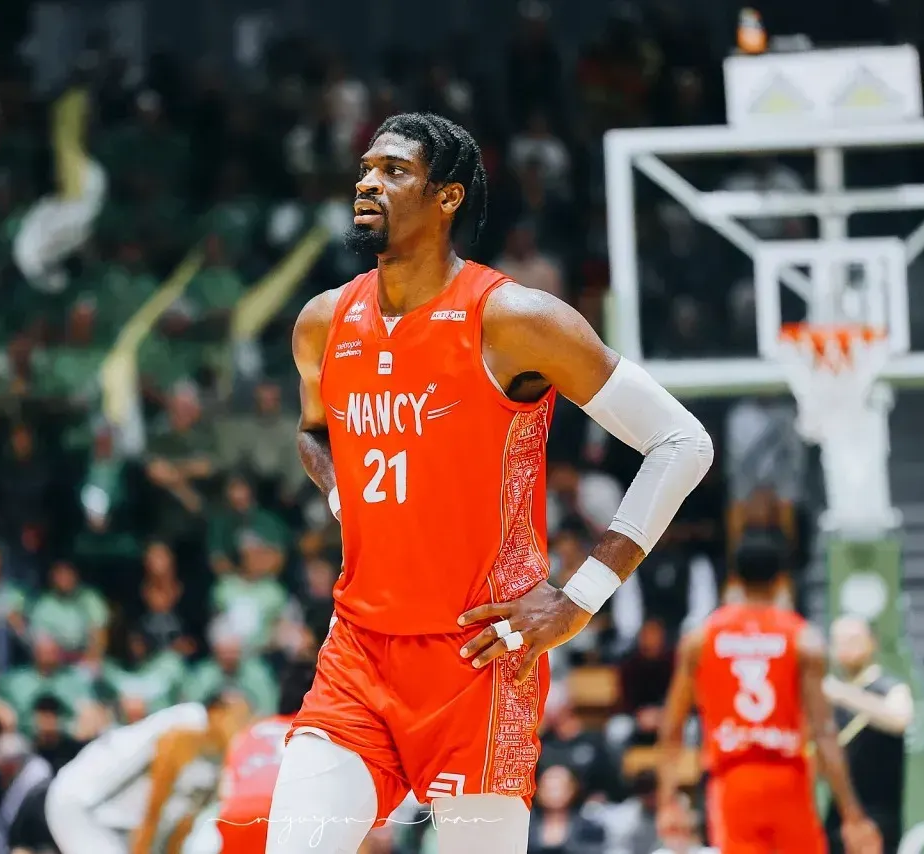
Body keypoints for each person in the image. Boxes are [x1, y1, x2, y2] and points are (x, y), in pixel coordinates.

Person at [272, 112, 714, 854]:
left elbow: (682, 442)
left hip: (481, 659)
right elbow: (313, 431)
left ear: (447, 197)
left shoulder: (513, 319)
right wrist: (343, 495)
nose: (368, 182)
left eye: (394, 171)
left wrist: (579, 599)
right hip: (358, 654)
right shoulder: (323, 322)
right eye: (366, 168)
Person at [655, 540, 882, 854]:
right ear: (781, 582)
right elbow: (824, 732)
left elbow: (672, 725)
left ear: (733, 581)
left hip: (732, 782)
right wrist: (851, 814)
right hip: (788, 779)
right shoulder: (803, 640)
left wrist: (668, 799)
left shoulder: (700, 639)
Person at [43, 690, 251, 854]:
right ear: (217, 711)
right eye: (238, 716)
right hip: (79, 802)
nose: (243, 725)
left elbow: (182, 822)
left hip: (110, 818)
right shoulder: (189, 720)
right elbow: (156, 798)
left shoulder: (218, 758)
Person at [823, 616, 913, 854]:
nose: (846, 648)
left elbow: (900, 718)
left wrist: (844, 694)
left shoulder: (889, 688)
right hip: (837, 818)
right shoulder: (828, 699)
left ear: (872, 642)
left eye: (853, 640)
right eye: (839, 642)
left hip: (878, 818)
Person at [212, 661, 316, 854]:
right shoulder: (313, 735)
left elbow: (225, 788)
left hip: (235, 818)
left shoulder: (250, 731)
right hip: (284, 820)